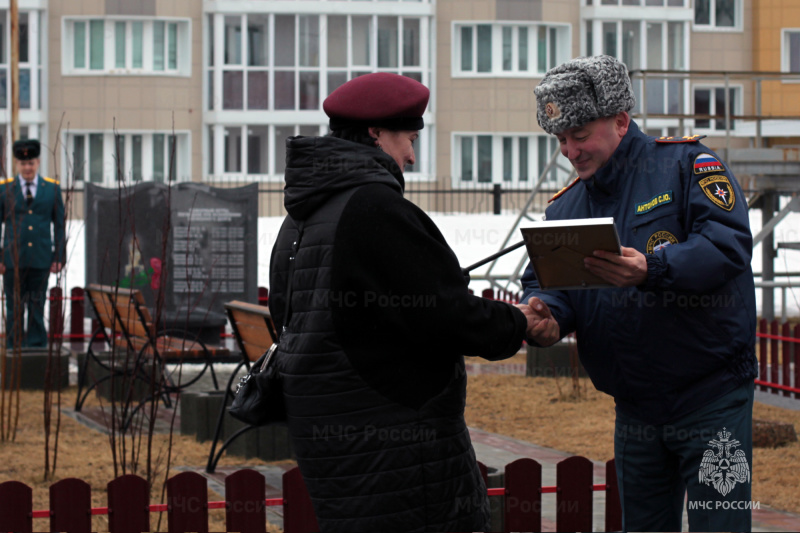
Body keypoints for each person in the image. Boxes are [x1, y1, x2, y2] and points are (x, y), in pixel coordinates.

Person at [269, 72, 540, 532]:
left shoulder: (302, 216)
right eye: (409, 139)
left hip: (335, 443)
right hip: (400, 453)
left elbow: (289, 314)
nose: (412, 156)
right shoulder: (373, 206)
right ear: (375, 134)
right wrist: (521, 323)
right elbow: (446, 313)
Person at [521, 55, 757, 532]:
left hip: (711, 400)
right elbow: (554, 283)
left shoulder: (689, 166)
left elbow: (726, 246)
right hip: (635, 410)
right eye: (562, 139)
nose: (570, 150)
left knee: (721, 527)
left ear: (621, 120)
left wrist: (654, 268)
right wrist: (548, 314)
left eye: (580, 135)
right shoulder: (567, 207)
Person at [0, 139, 66, 348]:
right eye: (22, 163)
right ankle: (14, 351)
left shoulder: (51, 189)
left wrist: (59, 257)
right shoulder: (4, 190)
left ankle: (37, 350)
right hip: (13, 262)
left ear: (38, 163)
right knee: (14, 309)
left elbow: (60, 226)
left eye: (31, 163)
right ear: (16, 164)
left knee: (37, 307)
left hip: (41, 260)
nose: (27, 168)